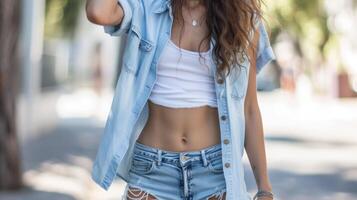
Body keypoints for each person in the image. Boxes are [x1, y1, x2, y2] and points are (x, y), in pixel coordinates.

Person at [85, 0, 276, 199]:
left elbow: (249, 108)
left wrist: (264, 188)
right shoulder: (147, 9)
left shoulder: (242, 19)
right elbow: (98, 12)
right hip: (152, 170)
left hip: (215, 172)